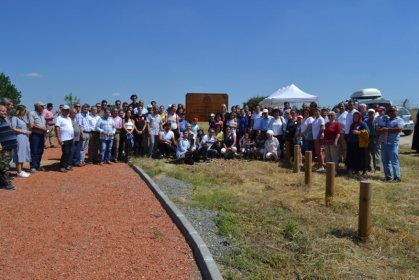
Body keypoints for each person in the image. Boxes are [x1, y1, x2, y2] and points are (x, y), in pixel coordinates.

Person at [377, 106, 404, 181]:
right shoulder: (386, 120)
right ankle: (388, 177)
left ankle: (397, 177)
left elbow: (399, 129)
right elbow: (379, 128)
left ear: (396, 111)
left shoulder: (399, 120)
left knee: (394, 162)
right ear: (388, 112)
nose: (392, 112)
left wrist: (386, 129)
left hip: (393, 144)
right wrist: (379, 128)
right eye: (390, 111)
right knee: (385, 161)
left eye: (393, 110)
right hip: (384, 143)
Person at [11, 105, 32, 177]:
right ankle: (19, 171)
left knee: (23, 153)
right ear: (20, 110)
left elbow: (31, 126)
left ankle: (20, 170)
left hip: (25, 138)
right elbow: (13, 128)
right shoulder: (14, 118)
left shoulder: (24, 119)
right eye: (24, 110)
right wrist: (25, 132)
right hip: (19, 137)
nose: (25, 112)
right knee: (19, 153)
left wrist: (29, 116)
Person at [0, 104, 18, 190]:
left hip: (9, 146)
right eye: (2, 111)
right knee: (4, 165)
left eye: (5, 111)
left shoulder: (3, 119)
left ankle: (3, 181)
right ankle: (5, 183)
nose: (4, 112)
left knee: (5, 163)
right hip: (3, 147)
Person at [55, 105, 74, 172]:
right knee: (65, 152)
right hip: (64, 138)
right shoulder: (59, 118)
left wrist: (73, 137)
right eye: (65, 110)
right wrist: (59, 138)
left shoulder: (69, 118)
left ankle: (67, 165)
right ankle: (62, 166)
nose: (67, 111)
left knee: (70, 152)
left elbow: (70, 128)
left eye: (68, 110)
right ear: (62, 110)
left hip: (70, 138)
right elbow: (57, 128)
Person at [29, 101, 47, 172]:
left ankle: (37, 165)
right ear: (37, 107)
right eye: (42, 106)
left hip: (42, 135)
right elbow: (31, 125)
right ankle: (33, 166)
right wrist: (42, 128)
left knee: (40, 151)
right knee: (34, 150)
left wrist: (45, 129)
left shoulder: (42, 115)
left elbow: (43, 124)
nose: (43, 108)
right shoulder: (31, 113)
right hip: (35, 135)